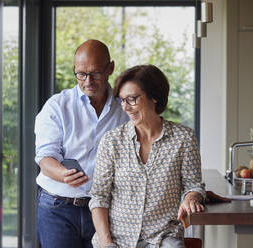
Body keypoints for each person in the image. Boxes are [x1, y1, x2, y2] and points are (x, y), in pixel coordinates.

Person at [89, 65, 206, 248]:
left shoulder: (184, 138)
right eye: (122, 100)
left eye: (132, 99)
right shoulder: (112, 141)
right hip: (117, 239)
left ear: (154, 97)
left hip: (163, 238)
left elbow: (193, 185)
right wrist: (106, 244)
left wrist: (191, 197)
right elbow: (99, 197)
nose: (125, 107)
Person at [34, 40, 129, 248]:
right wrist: (63, 174)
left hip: (107, 210)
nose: (88, 81)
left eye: (95, 73)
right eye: (81, 74)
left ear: (110, 68)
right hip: (58, 208)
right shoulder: (57, 106)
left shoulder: (125, 109)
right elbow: (45, 157)